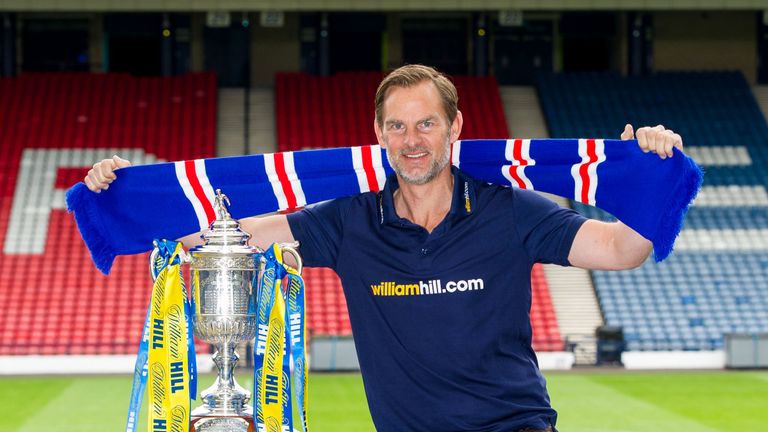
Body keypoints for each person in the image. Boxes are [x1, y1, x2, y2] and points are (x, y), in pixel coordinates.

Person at [85, 64, 683, 432]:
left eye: (426, 123)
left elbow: (622, 249)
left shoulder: (511, 210)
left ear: (456, 128)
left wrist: (649, 174)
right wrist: (123, 191)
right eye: (397, 126)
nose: (412, 140)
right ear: (379, 136)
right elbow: (224, 238)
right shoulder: (350, 220)